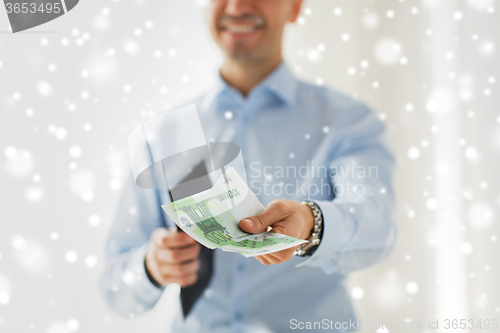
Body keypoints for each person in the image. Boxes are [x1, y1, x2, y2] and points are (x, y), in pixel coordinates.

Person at [100, 0, 397, 332]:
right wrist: (150, 267)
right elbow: (115, 287)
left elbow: (378, 226)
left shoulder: (347, 121)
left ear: (295, 7)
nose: (238, 5)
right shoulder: (164, 135)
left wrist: (312, 223)